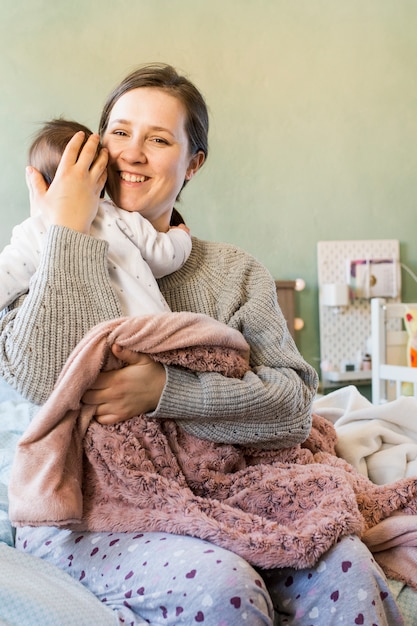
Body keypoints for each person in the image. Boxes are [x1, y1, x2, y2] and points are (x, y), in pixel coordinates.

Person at [1, 63, 405, 625]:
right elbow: (38, 377)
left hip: (232, 490)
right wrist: (69, 231)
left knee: (348, 567)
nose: (132, 153)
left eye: (159, 139)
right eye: (119, 132)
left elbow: (291, 409)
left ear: (193, 163)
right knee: (223, 587)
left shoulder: (233, 273)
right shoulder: (43, 252)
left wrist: (168, 390)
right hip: (94, 512)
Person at [0, 118, 192, 316]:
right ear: (102, 174)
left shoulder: (33, 232)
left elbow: (5, 279)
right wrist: (180, 236)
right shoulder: (120, 217)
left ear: (39, 183)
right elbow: (165, 257)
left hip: (90, 340)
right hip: (151, 327)